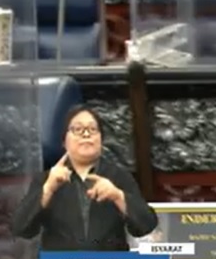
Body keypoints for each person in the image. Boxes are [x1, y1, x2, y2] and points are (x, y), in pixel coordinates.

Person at [11, 105, 158, 251]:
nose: (86, 134)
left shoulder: (119, 176)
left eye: (92, 129)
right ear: (64, 141)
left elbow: (147, 226)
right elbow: (20, 228)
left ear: (101, 140)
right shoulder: (47, 179)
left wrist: (118, 196)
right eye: (77, 129)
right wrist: (48, 190)